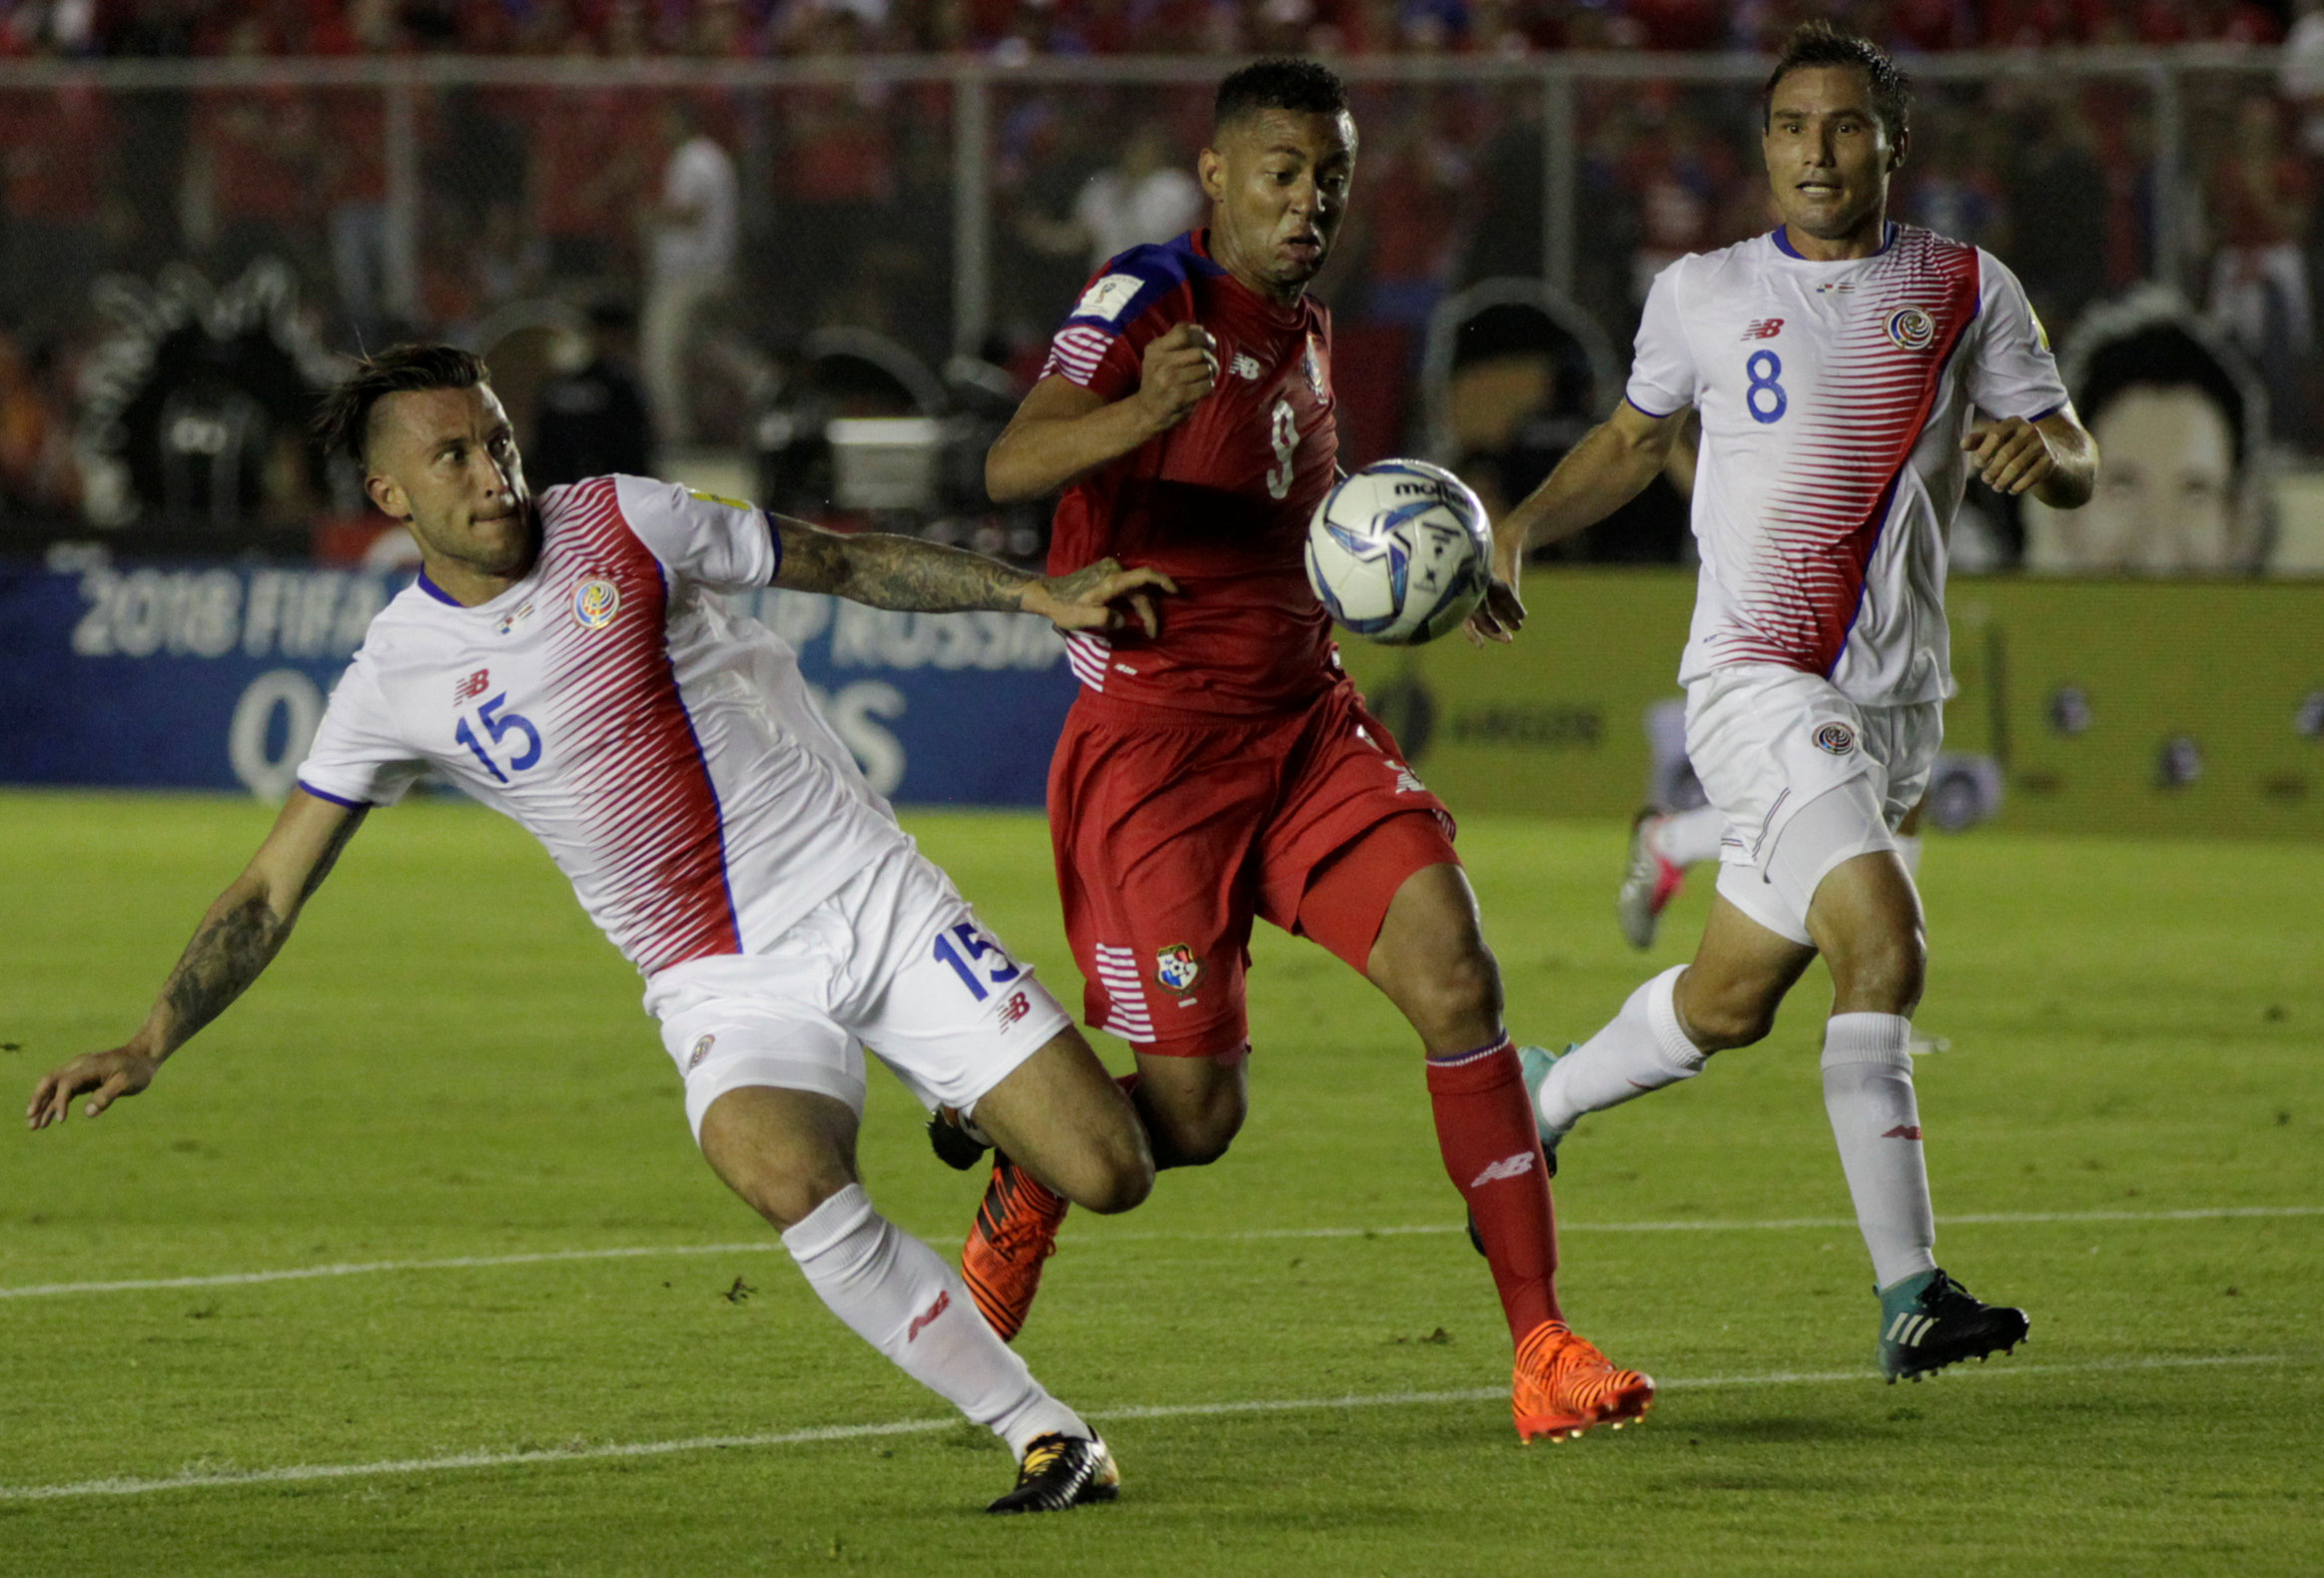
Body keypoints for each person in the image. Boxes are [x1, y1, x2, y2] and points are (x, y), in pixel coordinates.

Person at [26, 344, 1175, 1515]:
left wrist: (1034, 594)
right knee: (775, 1164)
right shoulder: (396, 676)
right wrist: (150, 1038)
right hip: (712, 972)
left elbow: (840, 560)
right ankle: (1044, 1431)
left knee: (1110, 1170)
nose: (494, 474)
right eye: (453, 456)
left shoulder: (625, 519)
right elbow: (271, 888)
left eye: (498, 441)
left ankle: (993, 1134)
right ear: (389, 494)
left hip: (865, 893)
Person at [963, 57, 1655, 1446]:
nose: (1307, 203)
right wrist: (1142, 413)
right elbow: (1009, 465)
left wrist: (1436, 566)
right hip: (1157, 760)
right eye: (1280, 174)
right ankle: (1032, 1159)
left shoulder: (1306, 328)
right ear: (1215, 175)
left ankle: (1540, 1345)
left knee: (1456, 975)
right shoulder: (1145, 296)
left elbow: (1307, 510)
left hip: (1301, 729)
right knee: (1193, 1118)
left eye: (1329, 179)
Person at [1470, 24, 2098, 1382]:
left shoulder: (1960, 284)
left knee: (1727, 1000)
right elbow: (1630, 441)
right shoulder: (1699, 290)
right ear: (1761, 146)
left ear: (1891, 144)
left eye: (1844, 126)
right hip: (1756, 678)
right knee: (1883, 943)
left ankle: (1541, 1090)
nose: (1815, 152)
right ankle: (1909, 1292)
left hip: (1895, 700)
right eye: (1790, 127)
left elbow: (2071, 452)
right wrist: (1516, 529)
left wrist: (2037, 458)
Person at [642, 99, 738, 448]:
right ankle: (766, 386)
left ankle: (677, 435)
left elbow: (689, 213)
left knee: (659, 352)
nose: (660, 128)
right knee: (710, 349)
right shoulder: (711, 155)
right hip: (709, 272)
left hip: (688, 279)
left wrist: (647, 215)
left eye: (665, 120)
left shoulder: (693, 157)